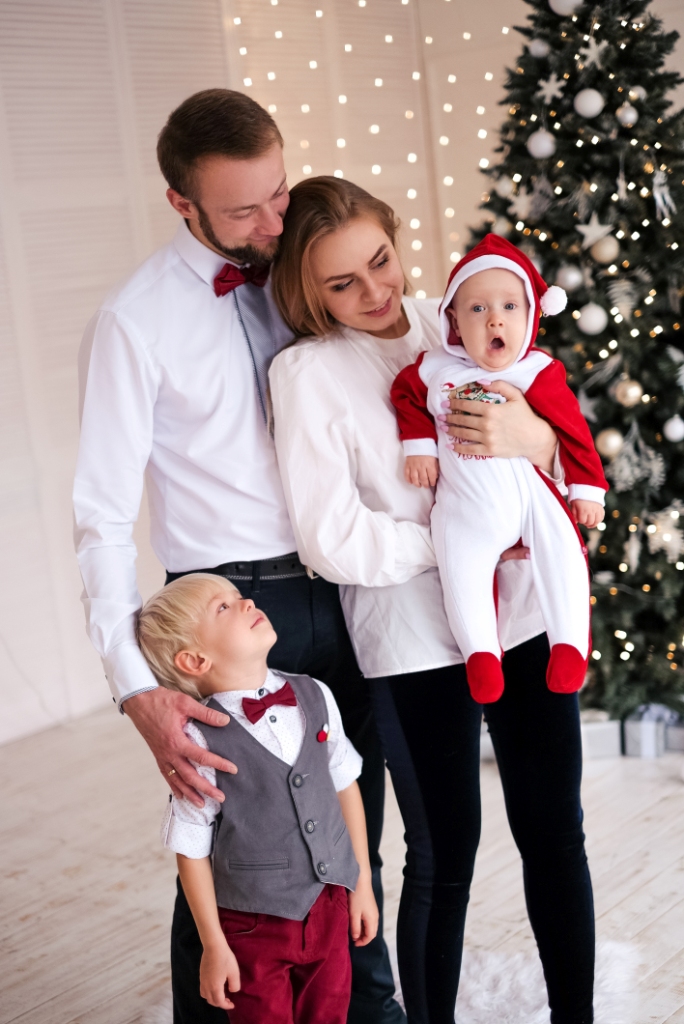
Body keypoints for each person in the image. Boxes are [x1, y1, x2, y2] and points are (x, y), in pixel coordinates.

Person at [73, 90, 404, 1024]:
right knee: (234, 857)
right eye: (243, 210)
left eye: (278, 193)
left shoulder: (305, 267)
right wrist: (134, 686)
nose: (272, 223)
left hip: (342, 581)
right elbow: (100, 516)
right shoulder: (134, 320)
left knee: (349, 837)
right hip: (227, 610)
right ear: (181, 202)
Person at [269, 176, 595, 1024]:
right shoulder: (307, 374)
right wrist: (458, 551)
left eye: (381, 261)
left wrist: (536, 441)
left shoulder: (459, 314)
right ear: (308, 291)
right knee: (445, 856)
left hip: (522, 616)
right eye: (343, 283)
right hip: (412, 637)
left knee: (555, 834)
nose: (376, 292)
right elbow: (330, 538)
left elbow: (556, 432)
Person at [136, 572, 378, 1023]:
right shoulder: (196, 741)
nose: (246, 601)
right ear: (194, 660)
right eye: (223, 607)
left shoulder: (316, 694)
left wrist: (360, 883)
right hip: (253, 924)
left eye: (238, 595)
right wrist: (213, 944)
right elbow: (191, 848)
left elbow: (346, 786)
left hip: (329, 905)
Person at [391, 234, 608, 704]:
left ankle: (570, 645)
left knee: (563, 551)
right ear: (453, 320)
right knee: (460, 564)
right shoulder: (433, 369)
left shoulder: (537, 371)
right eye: (478, 309)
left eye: (510, 306)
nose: (495, 319)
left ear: (530, 315)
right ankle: (481, 655)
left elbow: (573, 431)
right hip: (466, 504)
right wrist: (420, 446)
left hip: (532, 498)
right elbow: (405, 396)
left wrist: (587, 488)